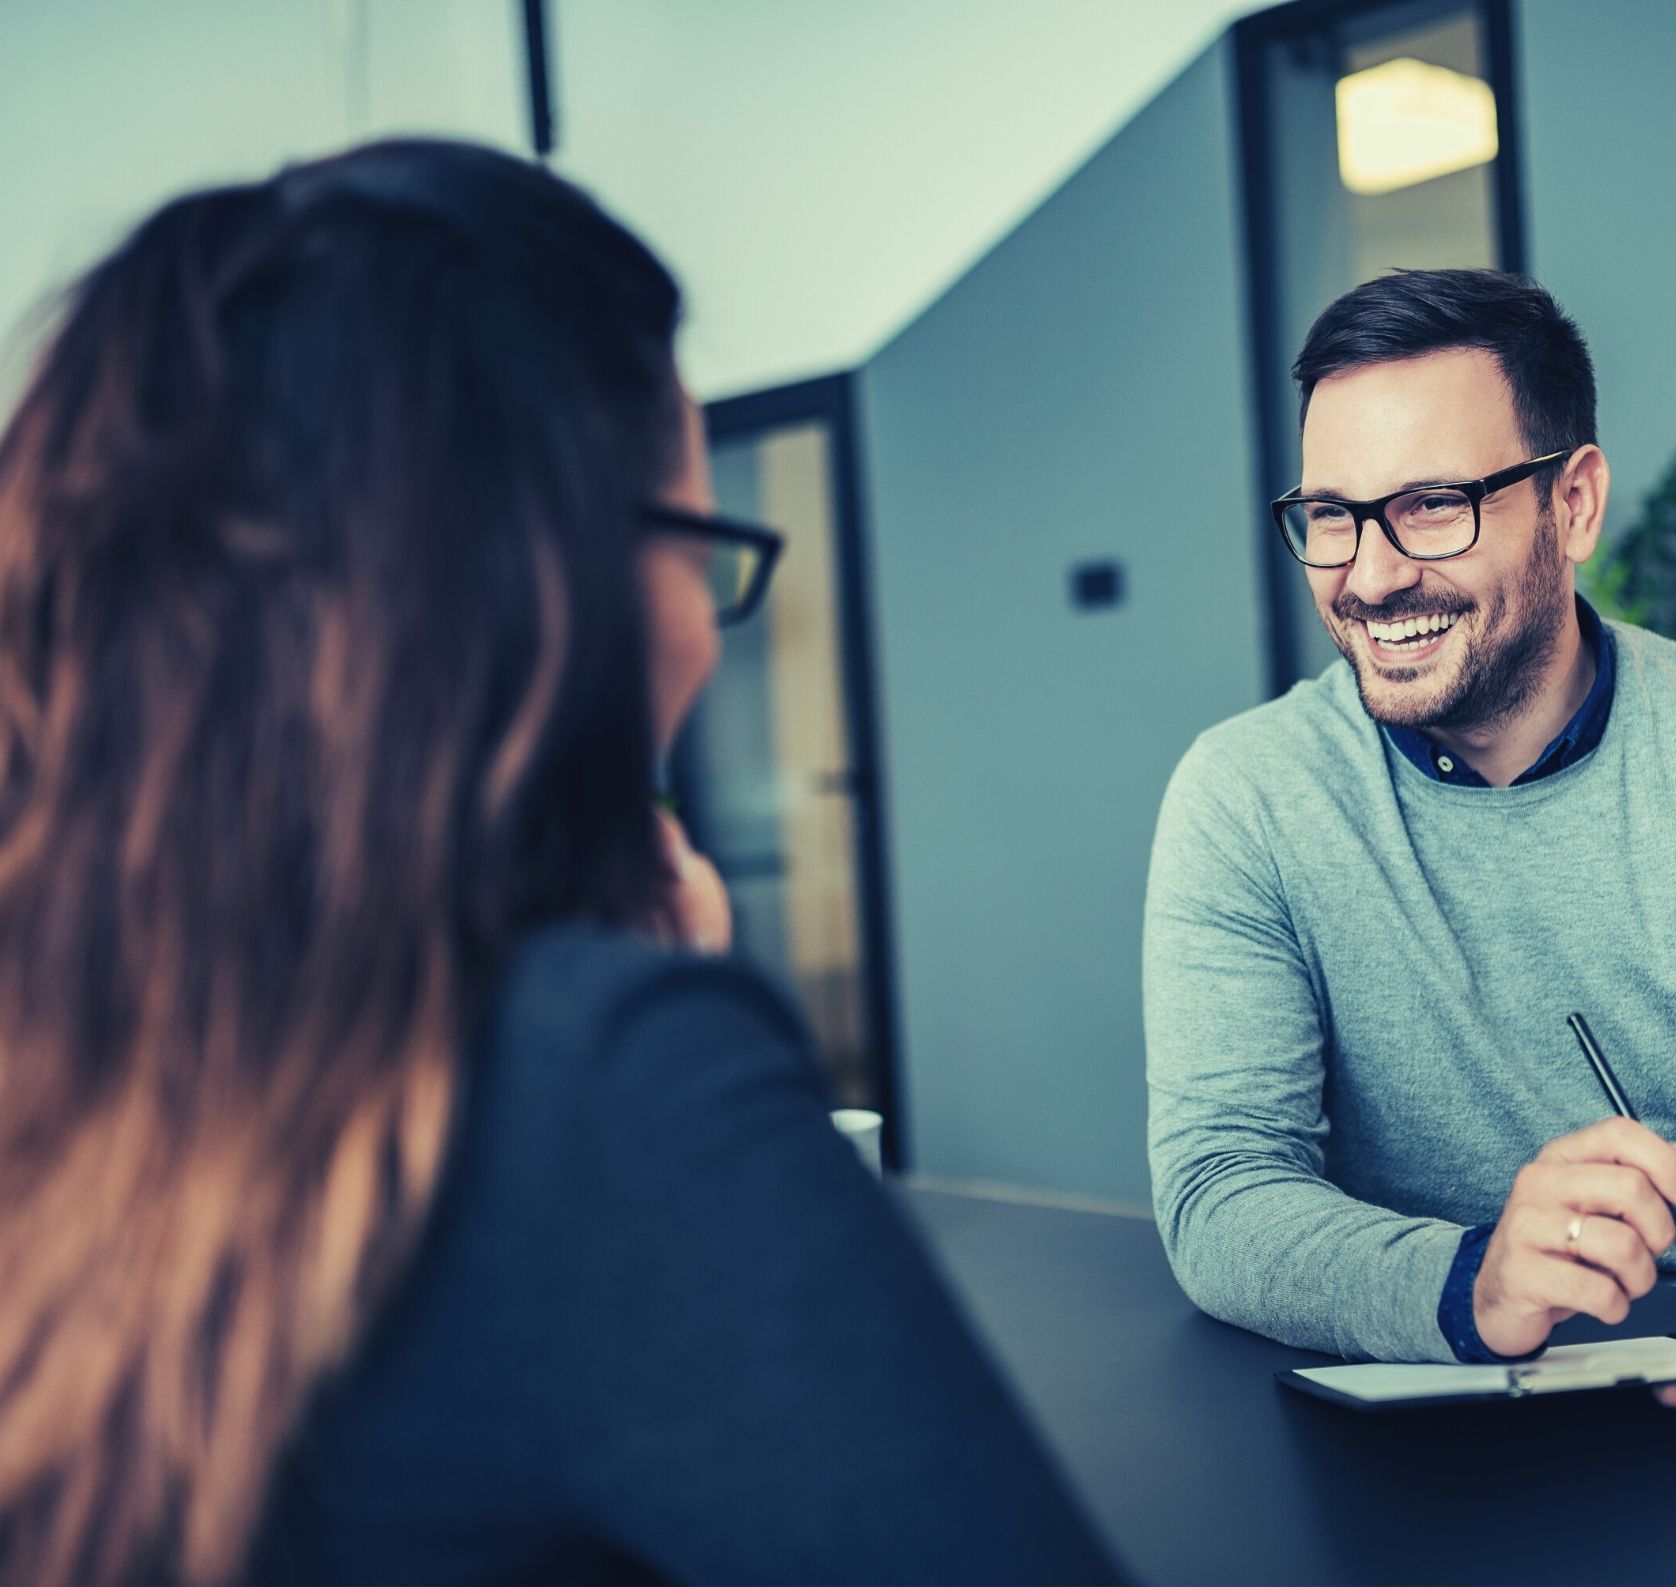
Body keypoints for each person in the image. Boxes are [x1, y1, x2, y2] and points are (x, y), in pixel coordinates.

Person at [0, 140, 1120, 1586]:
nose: (710, 638)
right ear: (543, 584)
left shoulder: (68, 1053)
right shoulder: (607, 1083)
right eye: (700, 547)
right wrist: (648, 1042)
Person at [1144, 268, 1676, 1463]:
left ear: (1575, 503)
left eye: (1432, 504)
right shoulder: (1246, 795)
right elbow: (1222, 1191)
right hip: (1414, 1435)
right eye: (1331, 514)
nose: (1372, 573)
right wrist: (1472, 1284)